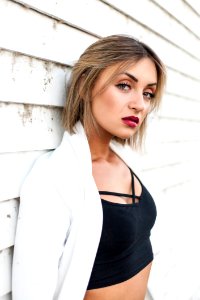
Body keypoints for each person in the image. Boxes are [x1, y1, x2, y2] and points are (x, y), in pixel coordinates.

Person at [12, 34, 166, 300]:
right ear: (85, 84)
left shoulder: (126, 163)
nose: (140, 104)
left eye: (148, 93)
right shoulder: (53, 178)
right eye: (124, 85)